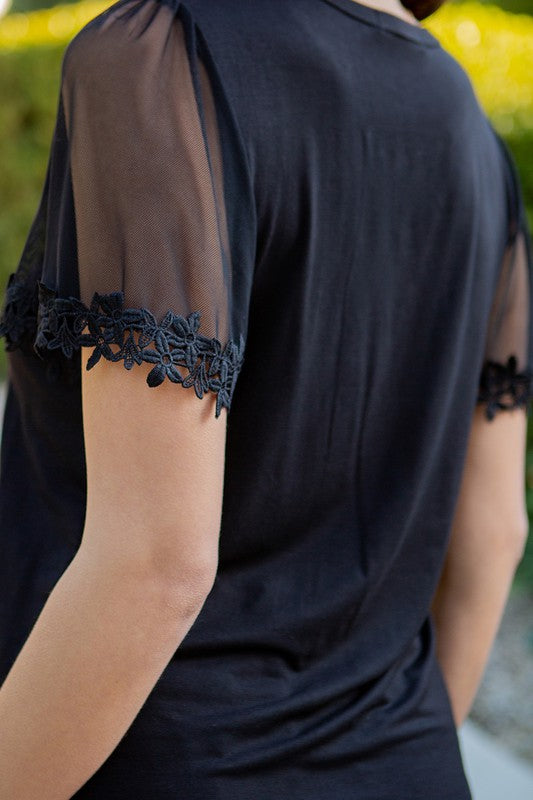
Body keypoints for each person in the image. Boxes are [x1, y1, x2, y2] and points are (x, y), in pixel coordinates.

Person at [0, 0, 531, 797]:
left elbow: (154, 567)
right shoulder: (470, 131)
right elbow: (494, 533)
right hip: (410, 768)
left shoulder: (162, 57)